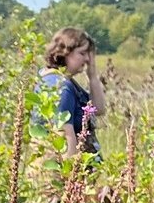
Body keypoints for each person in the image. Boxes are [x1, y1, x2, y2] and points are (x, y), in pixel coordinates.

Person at [34, 26, 107, 161]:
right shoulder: (61, 87)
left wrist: (92, 74)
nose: (87, 60)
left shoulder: (57, 79)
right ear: (65, 52)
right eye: (82, 53)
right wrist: (70, 178)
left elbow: (99, 109)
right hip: (61, 173)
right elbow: (64, 136)